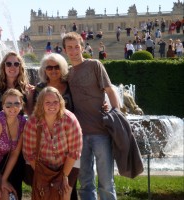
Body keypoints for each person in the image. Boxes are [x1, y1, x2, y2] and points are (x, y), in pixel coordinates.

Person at [62, 32, 120, 200]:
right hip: (79, 136)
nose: (74, 51)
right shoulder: (68, 74)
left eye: (76, 47)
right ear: (65, 50)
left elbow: (110, 90)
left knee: (106, 182)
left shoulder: (95, 65)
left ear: (82, 47)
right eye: (70, 48)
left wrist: (115, 113)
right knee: (85, 182)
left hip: (101, 131)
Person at [23, 86, 83, 200]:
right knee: (44, 193)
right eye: (48, 102)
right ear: (41, 104)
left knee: (64, 194)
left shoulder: (70, 120)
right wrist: (43, 176)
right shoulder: (32, 122)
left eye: (55, 102)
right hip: (41, 165)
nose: (52, 105)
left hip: (67, 163)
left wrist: (64, 176)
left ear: (60, 103)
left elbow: (74, 152)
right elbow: (29, 152)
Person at [0, 51, 34, 199]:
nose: (12, 66)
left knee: (15, 184)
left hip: (17, 142)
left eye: (16, 64)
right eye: (9, 63)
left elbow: (31, 113)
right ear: (3, 66)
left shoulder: (27, 89)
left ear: (20, 67)